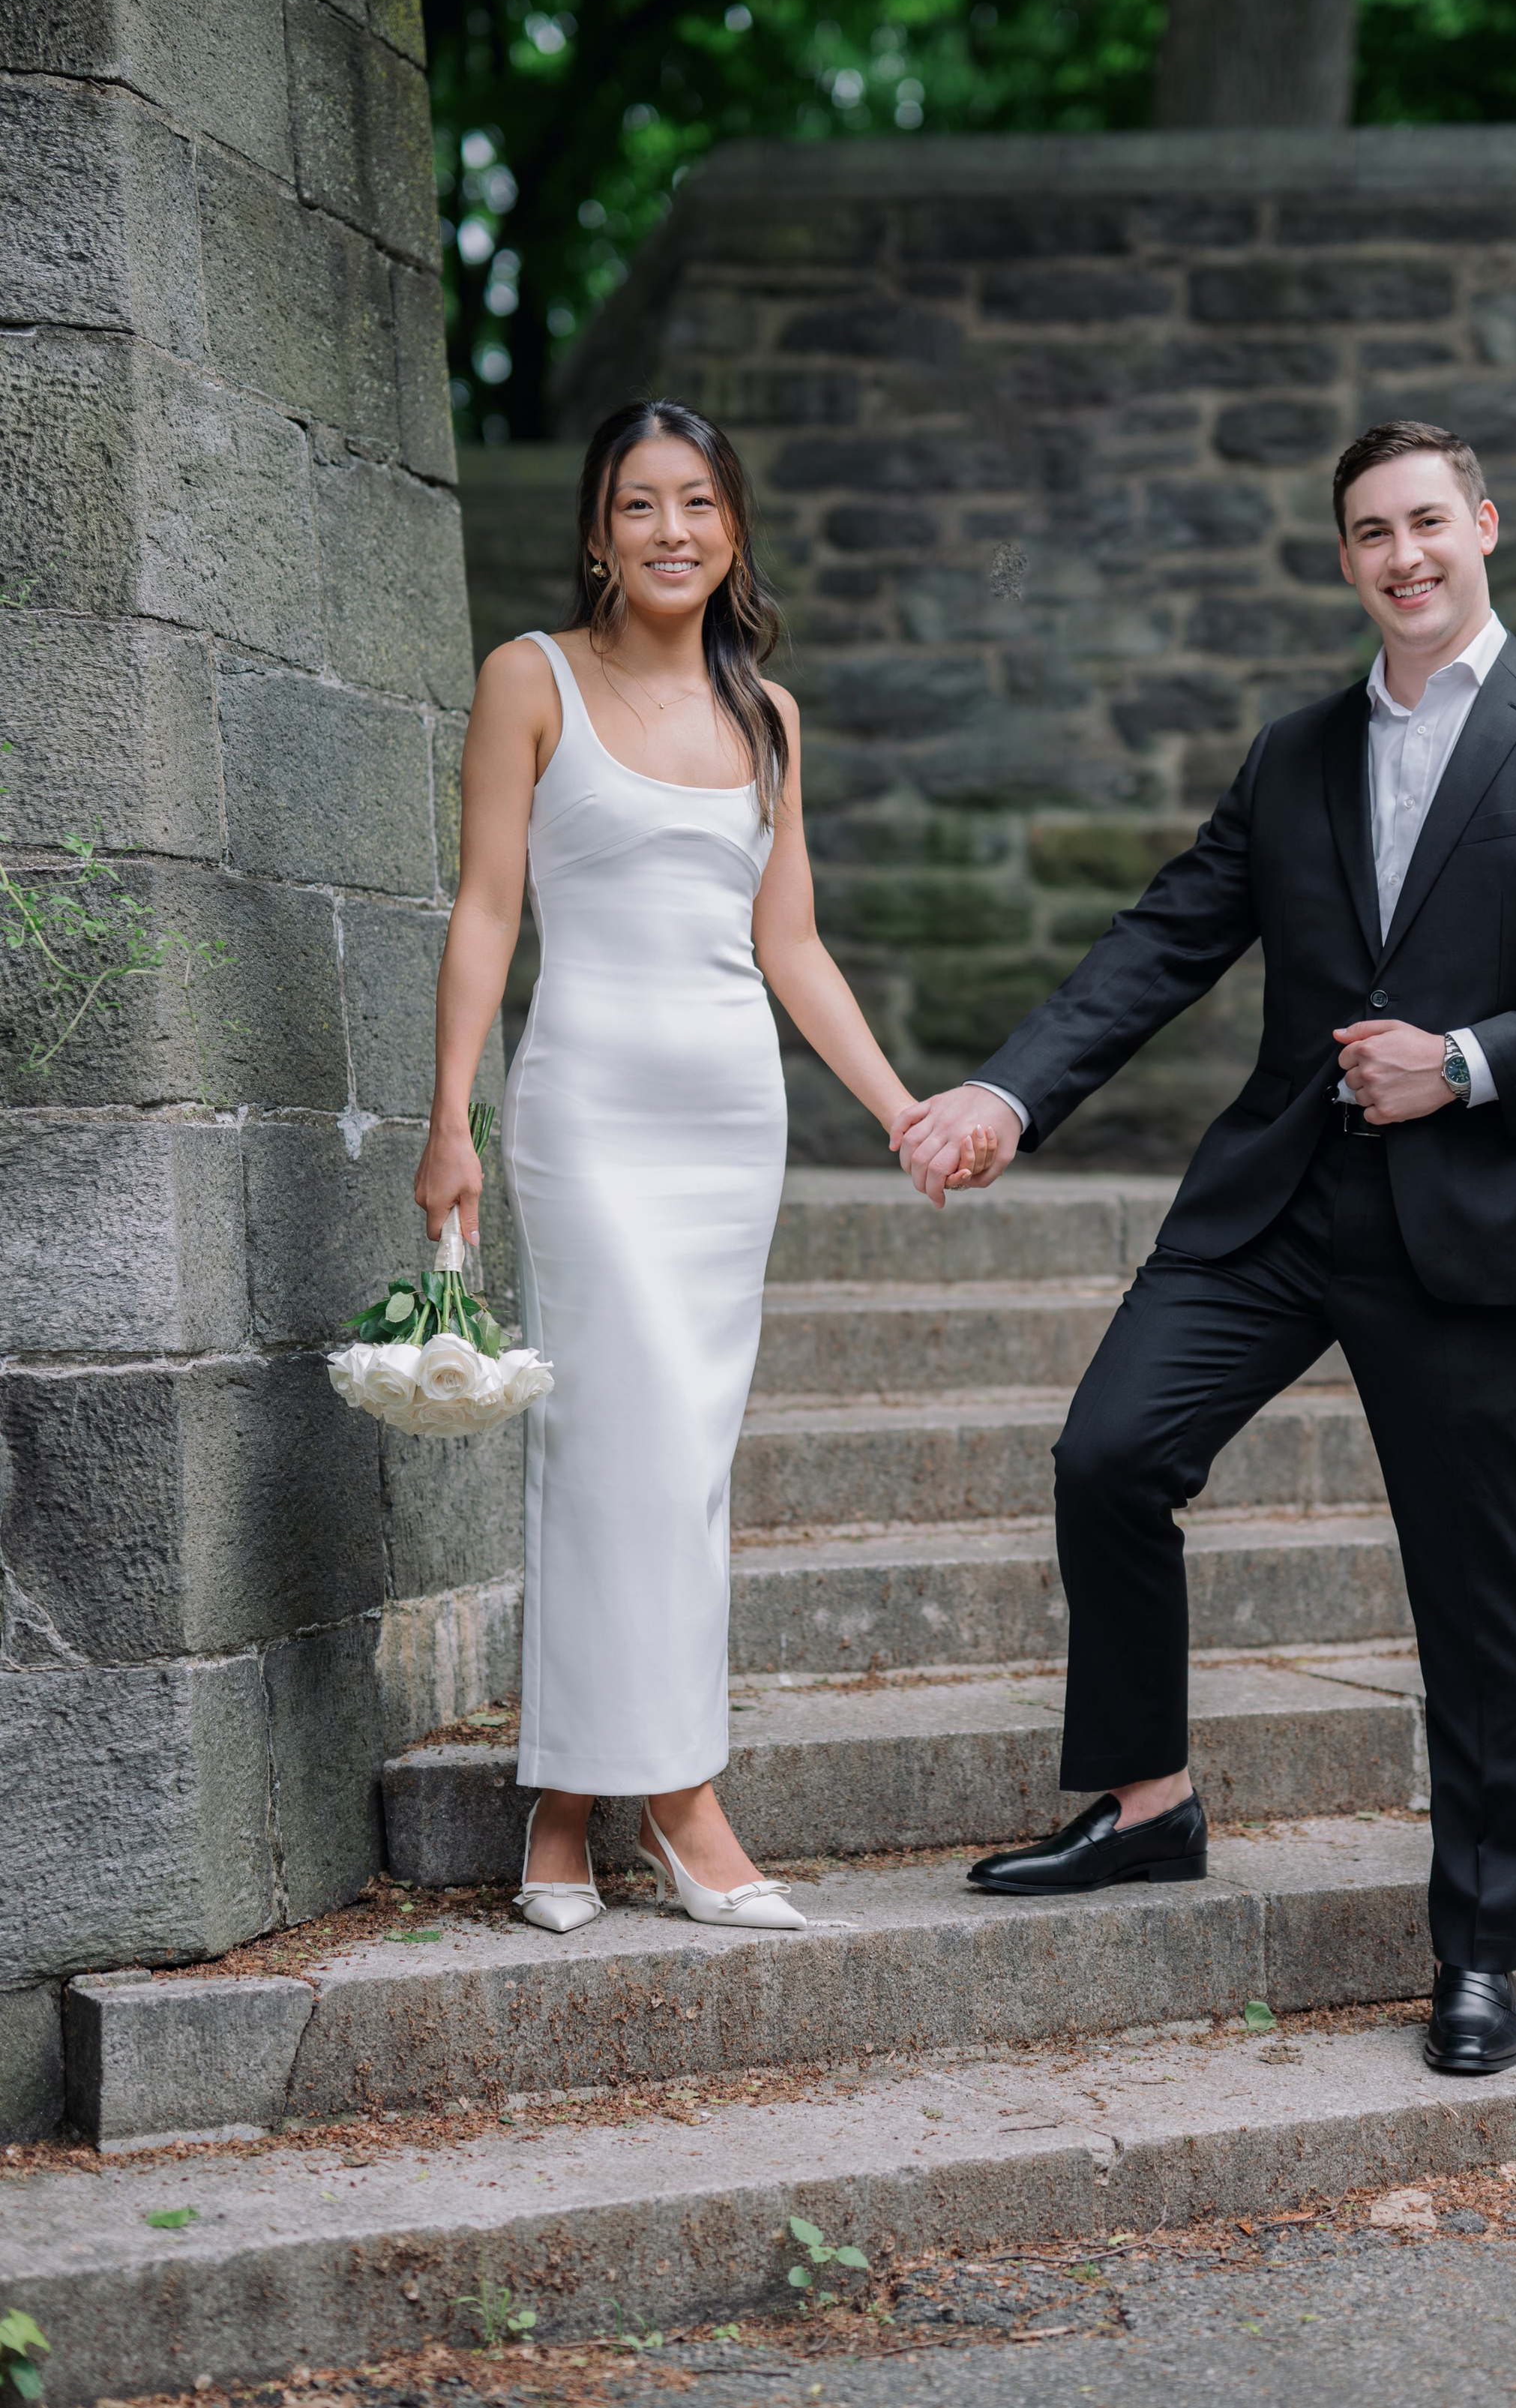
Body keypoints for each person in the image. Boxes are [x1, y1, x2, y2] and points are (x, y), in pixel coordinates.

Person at [892, 419, 1516, 2075]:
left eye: (1426, 521)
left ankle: (1478, 1951)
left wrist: (1463, 1061)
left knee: (1476, 1600)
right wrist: (1004, 1090)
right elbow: (1164, 938)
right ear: (1341, 558)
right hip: (1277, 1202)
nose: (1402, 555)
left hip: (1471, 1217)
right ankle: (1146, 1805)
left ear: (1481, 523)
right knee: (1108, 1453)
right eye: (1366, 532)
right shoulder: (1293, 754)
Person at [416, 398, 995, 1938]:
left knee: (683, 1464)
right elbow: (484, 910)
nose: (669, 530)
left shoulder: (768, 716)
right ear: (597, 533)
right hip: (588, 1111)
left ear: (730, 527)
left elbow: (786, 943)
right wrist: (448, 1120)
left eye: (697, 503)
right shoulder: (527, 678)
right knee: (615, 1447)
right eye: (635, 504)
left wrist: (895, 1108)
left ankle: (562, 1802)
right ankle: (677, 1802)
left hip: (729, 1122)